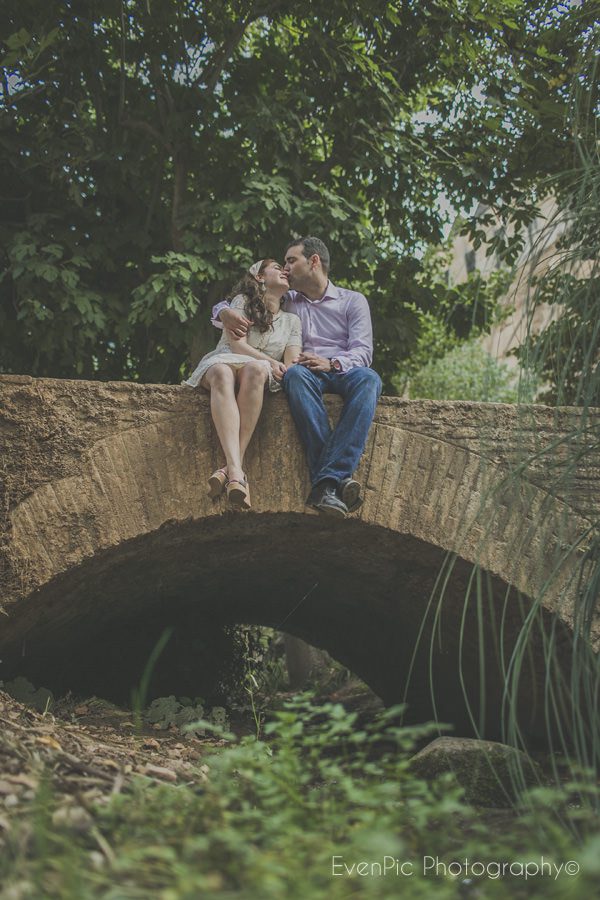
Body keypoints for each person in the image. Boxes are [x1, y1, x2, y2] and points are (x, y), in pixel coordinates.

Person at [214, 237, 382, 518]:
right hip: (304, 372)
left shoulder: (353, 301)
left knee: (370, 380)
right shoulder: (288, 300)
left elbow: (363, 351)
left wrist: (332, 363)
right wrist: (223, 311)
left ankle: (326, 482)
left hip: (344, 370)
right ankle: (337, 481)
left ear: (313, 261)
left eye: (291, 261)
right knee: (294, 377)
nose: (287, 268)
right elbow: (248, 294)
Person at [185, 258, 301, 510]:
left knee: (256, 370)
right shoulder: (241, 303)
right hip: (226, 359)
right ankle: (237, 471)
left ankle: (230, 470)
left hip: (255, 370)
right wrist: (273, 362)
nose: (284, 271)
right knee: (222, 373)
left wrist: (283, 369)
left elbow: (291, 361)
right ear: (259, 277)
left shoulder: (292, 321)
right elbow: (237, 345)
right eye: (275, 268)